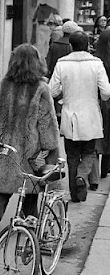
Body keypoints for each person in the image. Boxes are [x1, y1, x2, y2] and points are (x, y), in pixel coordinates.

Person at [0, 44, 61, 236]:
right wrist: (50, 146)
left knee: (3, 183)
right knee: (30, 185)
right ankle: (28, 220)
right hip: (28, 145)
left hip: (3, 145)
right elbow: (46, 121)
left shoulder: (1, 85)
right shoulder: (40, 88)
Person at [49, 31, 110, 202]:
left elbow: (51, 90)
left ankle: (75, 194)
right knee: (89, 151)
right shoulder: (96, 64)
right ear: (88, 44)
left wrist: (63, 93)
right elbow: (106, 93)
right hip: (90, 114)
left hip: (70, 115)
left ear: (71, 45)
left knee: (72, 156)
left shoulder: (62, 64)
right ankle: (82, 176)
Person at [95, 29, 110, 178]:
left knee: (100, 134)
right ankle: (106, 167)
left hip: (99, 99)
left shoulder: (97, 60)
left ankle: (96, 173)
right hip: (105, 97)